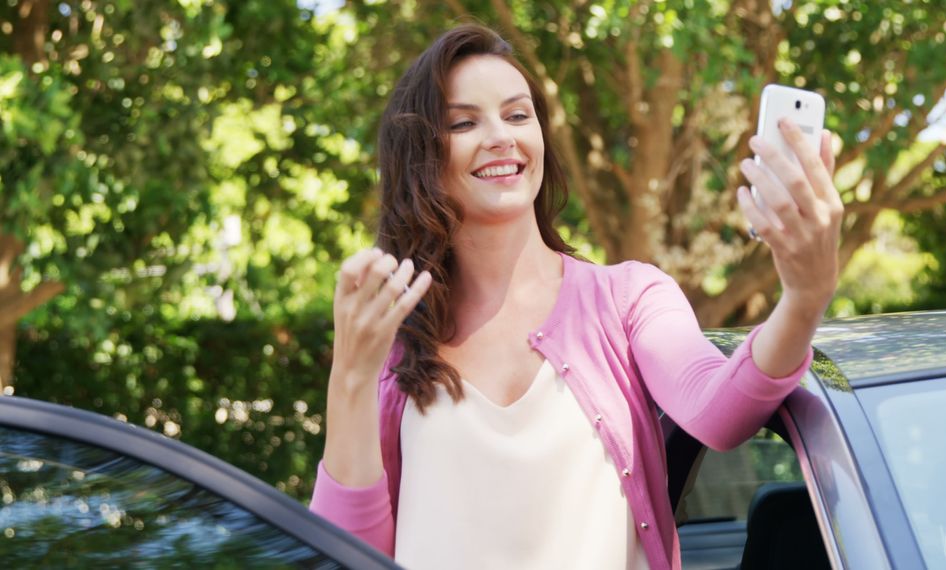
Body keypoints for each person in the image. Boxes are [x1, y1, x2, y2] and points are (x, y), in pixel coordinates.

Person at [310, 23, 842, 570]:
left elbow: (721, 413)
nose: (501, 136)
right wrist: (350, 374)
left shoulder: (628, 298)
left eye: (518, 115)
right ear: (421, 157)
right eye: (464, 122)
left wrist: (803, 298)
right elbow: (343, 551)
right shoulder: (394, 334)